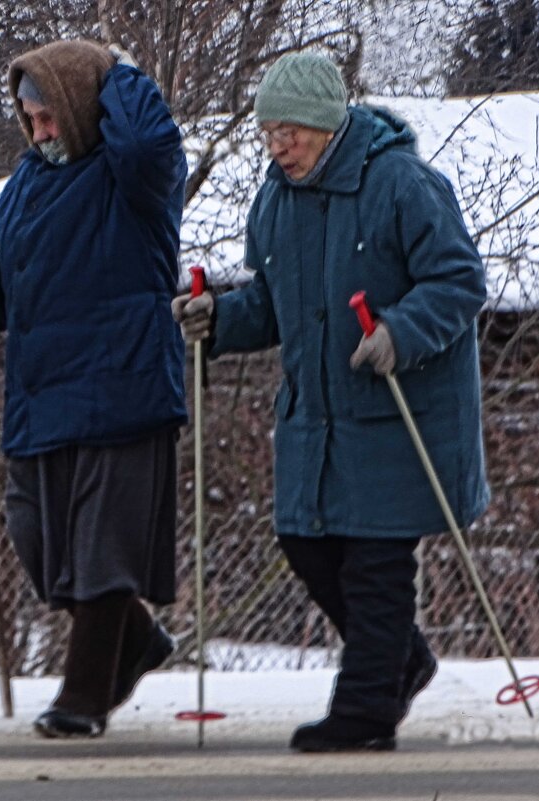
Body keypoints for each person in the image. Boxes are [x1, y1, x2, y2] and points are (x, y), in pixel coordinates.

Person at [173, 52, 490, 752]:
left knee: (376, 564)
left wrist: (400, 334)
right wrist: (217, 317)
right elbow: (273, 302)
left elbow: (460, 281)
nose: (278, 145)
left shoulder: (402, 183)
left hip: (397, 414)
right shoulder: (276, 200)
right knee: (305, 541)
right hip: (315, 418)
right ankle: (403, 660)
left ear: (328, 125)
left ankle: (365, 710)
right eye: (268, 133)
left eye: (290, 131)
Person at [0, 40, 187, 739]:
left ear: (81, 107)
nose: (39, 130)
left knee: (103, 554)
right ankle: (137, 637)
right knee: (40, 541)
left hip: (124, 386)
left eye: (49, 115)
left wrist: (122, 75)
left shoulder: (134, 178)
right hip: (42, 396)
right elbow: (15, 291)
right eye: (29, 117)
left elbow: (147, 143)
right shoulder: (25, 186)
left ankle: (83, 698)